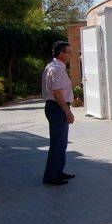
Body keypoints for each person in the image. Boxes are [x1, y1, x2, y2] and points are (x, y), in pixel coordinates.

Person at [42, 41, 76, 186]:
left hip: (55, 107)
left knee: (61, 143)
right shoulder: (57, 69)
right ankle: (51, 176)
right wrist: (67, 112)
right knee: (57, 143)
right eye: (69, 52)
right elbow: (57, 93)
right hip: (58, 108)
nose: (71, 55)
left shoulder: (53, 66)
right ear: (61, 53)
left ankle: (58, 171)